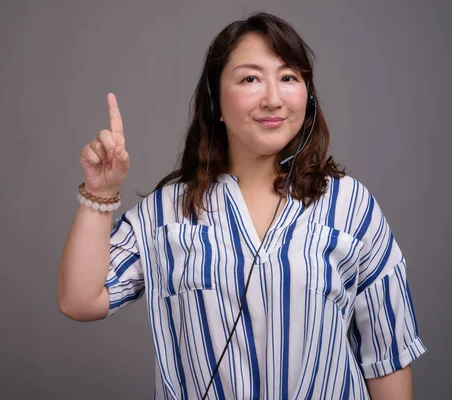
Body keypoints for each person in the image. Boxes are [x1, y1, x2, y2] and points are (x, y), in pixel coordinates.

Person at [57, 12, 426, 400]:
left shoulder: (351, 206)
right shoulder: (165, 213)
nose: (273, 98)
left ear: (308, 96)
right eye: (250, 78)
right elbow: (81, 300)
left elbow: (387, 358)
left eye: (288, 78)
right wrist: (100, 192)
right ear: (215, 101)